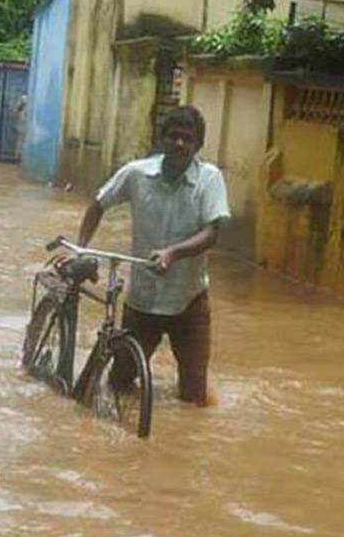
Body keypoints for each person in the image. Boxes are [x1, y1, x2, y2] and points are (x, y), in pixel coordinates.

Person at [75, 105, 230, 406]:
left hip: (189, 301)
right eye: (173, 137)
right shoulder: (137, 174)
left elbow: (212, 233)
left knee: (194, 397)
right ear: (162, 139)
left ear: (198, 145)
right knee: (119, 384)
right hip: (143, 301)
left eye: (187, 139)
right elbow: (98, 204)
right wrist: (82, 247)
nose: (180, 144)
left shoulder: (209, 179)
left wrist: (174, 253)